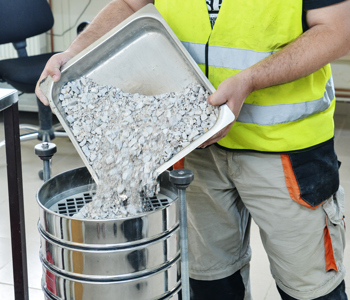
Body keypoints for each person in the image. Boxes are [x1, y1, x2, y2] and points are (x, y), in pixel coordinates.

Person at [36, 0, 350, 299]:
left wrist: (251, 79)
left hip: (286, 151)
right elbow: (131, 4)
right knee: (210, 283)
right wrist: (76, 51)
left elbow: (338, 30)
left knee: (309, 289)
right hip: (194, 147)